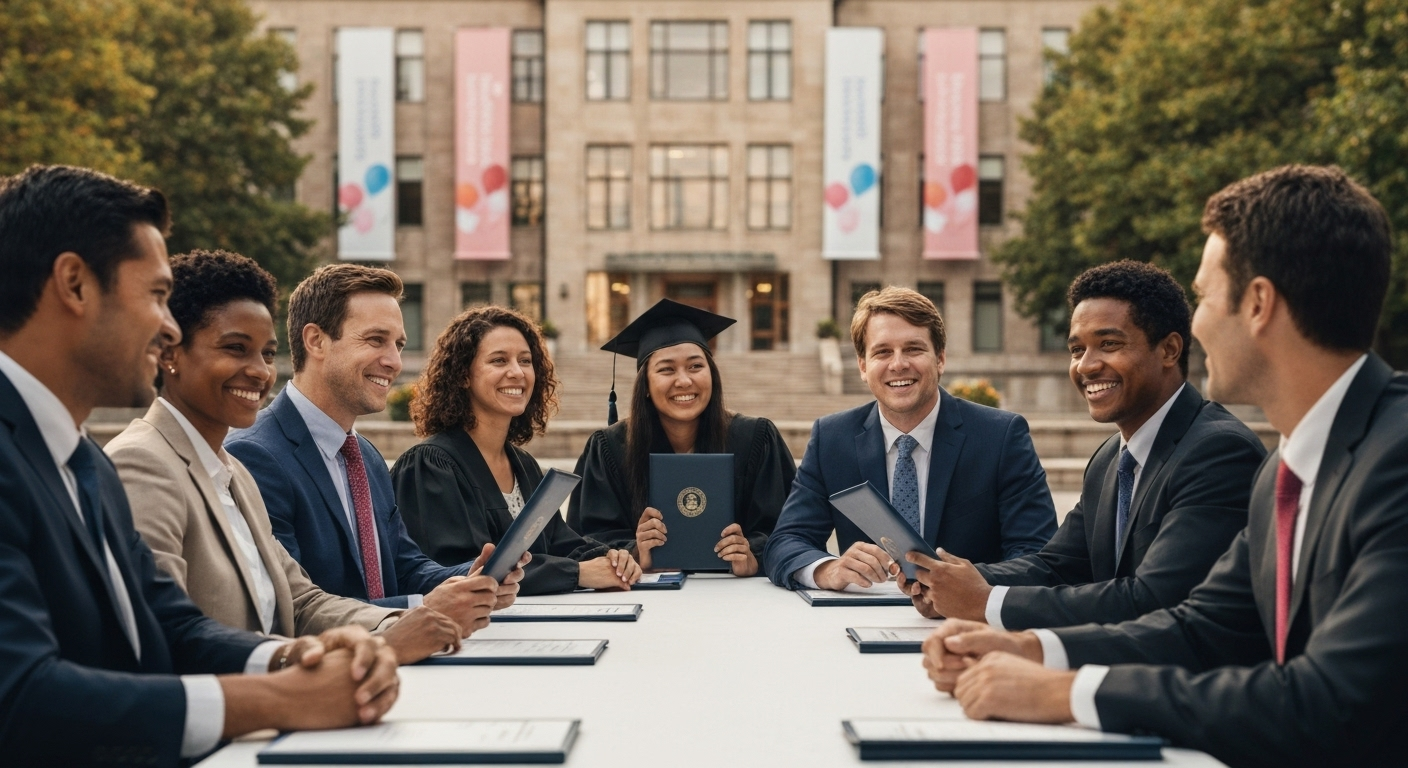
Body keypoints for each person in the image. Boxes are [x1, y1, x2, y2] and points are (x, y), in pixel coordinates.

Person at [922, 165, 1408, 767]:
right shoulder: (1288, 465)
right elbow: (1199, 629)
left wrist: (1071, 692)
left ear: (1258, 304)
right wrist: (1030, 650)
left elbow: (1330, 703)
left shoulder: (1395, 459)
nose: (1196, 322)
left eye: (1204, 297)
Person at [0, 165, 399, 765]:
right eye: (158, 296)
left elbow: (172, 625)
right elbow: (22, 695)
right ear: (75, 285)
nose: (167, 327)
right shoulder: (102, 461)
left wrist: (296, 657)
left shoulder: (84, 463)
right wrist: (278, 698)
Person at [107, 250, 474, 663]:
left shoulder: (233, 474)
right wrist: (376, 643)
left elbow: (301, 603)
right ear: (170, 353)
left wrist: (396, 624)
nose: (261, 372)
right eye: (235, 348)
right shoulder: (141, 463)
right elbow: (165, 634)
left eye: (265, 354)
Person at [896, 261, 1265, 628]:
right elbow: (1057, 566)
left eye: (1108, 344)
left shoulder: (1219, 452)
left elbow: (1153, 600)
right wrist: (952, 581)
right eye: (1076, 349)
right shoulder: (1109, 458)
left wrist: (987, 602)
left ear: (1169, 350)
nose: (1086, 366)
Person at [226, 264, 525, 619]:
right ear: (315, 341)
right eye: (375, 340)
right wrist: (422, 606)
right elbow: (289, 609)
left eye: (398, 344)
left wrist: (470, 578)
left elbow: (404, 568)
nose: (394, 362)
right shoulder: (253, 455)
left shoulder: (363, 454)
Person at [764, 287, 1057, 590]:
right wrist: (828, 568)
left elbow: (1039, 554)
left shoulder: (1000, 436)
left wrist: (962, 585)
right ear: (863, 366)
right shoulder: (832, 438)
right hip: (863, 618)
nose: (898, 364)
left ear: (940, 359)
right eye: (882, 352)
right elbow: (786, 541)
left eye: (914, 349)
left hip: (967, 623)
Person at [392, 305, 641, 594]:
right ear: (463, 375)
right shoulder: (431, 466)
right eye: (499, 361)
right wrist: (578, 572)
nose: (516, 372)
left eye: (525, 361)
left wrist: (613, 557)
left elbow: (562, 542)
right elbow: (463, 567)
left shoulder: (523, 464)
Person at [567, 299, 797, 577]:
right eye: (666, 369)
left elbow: (790, 530)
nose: (684, 381)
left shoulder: (755, 438)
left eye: (695, 366)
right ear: (646, 385)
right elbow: (583, 541)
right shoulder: (609, 448)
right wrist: (636, 552)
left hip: (738, 599)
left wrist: (753, 556)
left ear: (712, 374)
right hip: (646, 596)